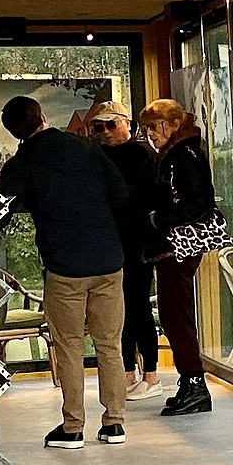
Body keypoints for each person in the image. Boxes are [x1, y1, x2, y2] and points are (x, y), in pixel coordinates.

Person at [0, 95, 131, 449]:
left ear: (14, 132)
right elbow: (120, 194)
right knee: (109, 344)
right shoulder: (87, 148)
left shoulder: (22, 162)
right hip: (107, 260)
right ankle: (114, 423)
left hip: (64, 266)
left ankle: (73, 427)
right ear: (42, 116)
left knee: (69, 347)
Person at [139, 99, 217, 416]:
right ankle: (189, 382)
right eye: (146, 127)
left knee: (175, 315)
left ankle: (195, 384)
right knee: (174, 313)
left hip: (179, 244)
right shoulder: (180, 151)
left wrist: (160, 218)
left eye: (153, 126)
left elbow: (200, 200)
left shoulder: (184, 154)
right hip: (174, 244)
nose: (149, 133)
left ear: (173, 124)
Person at [87, 101, 163, 401]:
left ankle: (151, 373)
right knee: (118, 309)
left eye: (111, 124)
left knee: (138, 305)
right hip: (112, 242)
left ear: (126, 124)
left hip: (137, 242)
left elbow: (146, 197)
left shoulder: (141, 153)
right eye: (99, 127)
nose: (105, 132)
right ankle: (128, 370)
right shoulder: (99, 155)